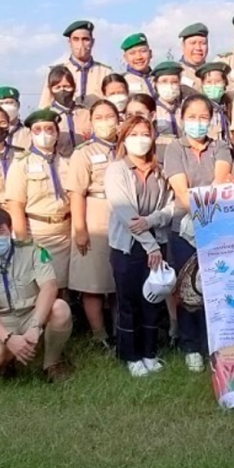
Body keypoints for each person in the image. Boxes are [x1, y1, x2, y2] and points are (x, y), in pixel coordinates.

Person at [0, 205, 75, 382]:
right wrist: (8, 339)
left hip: (32, 312)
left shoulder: (33, 250)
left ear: (10, 229)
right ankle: (8, 361)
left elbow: (49, 287)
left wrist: (35, 326)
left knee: (60, 308)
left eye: (0, 231)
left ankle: (52, 364)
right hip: (1, 318)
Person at [162, 95, 233, 372]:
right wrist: (205, 204)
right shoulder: (174, 149)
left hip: (218, 228)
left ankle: (214, 343)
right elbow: (181, 193)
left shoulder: (221, 146)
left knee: (217, 286)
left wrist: (209, 204)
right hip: (184, 228)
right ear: (182, 119)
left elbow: (221, 180)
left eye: (204, 117)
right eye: (192, 117)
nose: (198, 122)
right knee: (187, 288)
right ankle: (190, 345)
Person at [105, 115, 175, 376]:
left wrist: (153, 221)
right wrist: (151, 246)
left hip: (157, 240)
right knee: (129, 301)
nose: (140, 140)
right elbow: (125, 213)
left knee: (153, 299)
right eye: (133, 134)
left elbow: (171, 205)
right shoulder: (117, 170)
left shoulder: (161, 168)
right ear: (124, 139)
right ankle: (131, 355)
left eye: (145, 133)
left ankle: (149, 352)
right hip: (128, 247)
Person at [68, 99, 122, 348]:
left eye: (109, 116)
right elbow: (77, 192)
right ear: (90, 122)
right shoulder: (83, 153)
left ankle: (120, 329)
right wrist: (80, 230)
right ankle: (99, 335)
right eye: (98, 117)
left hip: (121, 214)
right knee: (94, 282)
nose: (105, 122)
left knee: (118, 279)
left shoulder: (125, 147)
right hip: (94, 215)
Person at [5, 109, 74, 290]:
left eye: (49, 129)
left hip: (64, 233)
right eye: (38, 130)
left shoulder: (67, 162)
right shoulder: (21, 164)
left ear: (57, 133)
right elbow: (15, 204)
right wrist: (22, 242)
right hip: (36, 233)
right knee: (40, 287)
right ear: (31, 134)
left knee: (63, 287)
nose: (44, 134)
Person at [38, 19, 113, 108]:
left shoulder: (106, 72)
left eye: (85, 39)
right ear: (69, 42)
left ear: (92, 42)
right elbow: (45, 105)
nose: (81, 44)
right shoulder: (56, 71)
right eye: (76, 39)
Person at [44, 65, 91, 150]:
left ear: (74, 87)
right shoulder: (46, 117)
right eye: (57, 87)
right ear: (50, 89)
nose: (62, 91)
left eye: (67, 86)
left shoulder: (86, 113)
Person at [194, 61, 234, 143]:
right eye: (209, 82)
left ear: (225, 83)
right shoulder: (198, 107)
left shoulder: (230, 104)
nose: (213, 86)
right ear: (202, 84)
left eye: (218, 82)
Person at [150, 60, 190, 144]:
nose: (170, 85)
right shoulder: (152, 109)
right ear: (155, 83)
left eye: (174, 82)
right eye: (164, 81)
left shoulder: (186, 107)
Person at [119, 33, 157, 98]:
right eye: (132, 53)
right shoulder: (122, 81)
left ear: (150, 53)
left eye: (143, 51)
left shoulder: (159, 78)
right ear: (125, 57)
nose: (138, 57)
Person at [177, 21, 211, 90]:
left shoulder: (213, 73)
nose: (198, 48)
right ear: (183, 46)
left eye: (203, 43)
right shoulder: (176, 73)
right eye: (193, 43)